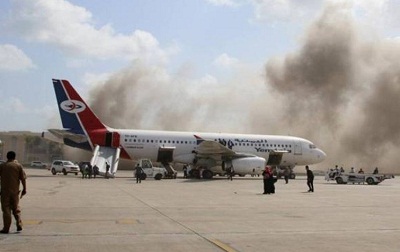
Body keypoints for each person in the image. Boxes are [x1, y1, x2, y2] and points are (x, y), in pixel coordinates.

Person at [0, 151, 27, 233]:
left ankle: (6, 228)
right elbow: (23, 178)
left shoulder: (2, 166)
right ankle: (19, 223)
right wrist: (24, 189)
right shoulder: (18, 166)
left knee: (6, 209)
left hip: (5, 191)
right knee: (16, 208)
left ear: (7, 157)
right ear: (14, 157)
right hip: (15, 191)